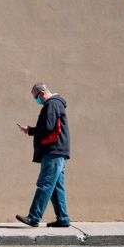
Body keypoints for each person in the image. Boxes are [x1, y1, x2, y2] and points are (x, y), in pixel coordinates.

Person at [15, 83, 71, 228]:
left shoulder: (51, 104)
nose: (36, 101)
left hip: (53, 151)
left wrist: (30, 130)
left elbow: (47, 127)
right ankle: (63, 218)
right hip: (59, 152)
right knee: (56, 186)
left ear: (41, 93)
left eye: (36, 97)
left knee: (45, 183)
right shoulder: (57, 104)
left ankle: (34, 217)